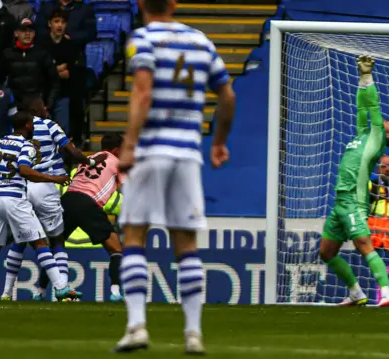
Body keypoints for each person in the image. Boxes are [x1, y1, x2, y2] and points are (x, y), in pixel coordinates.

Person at [113, 0, 236, 354]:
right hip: (187, 154)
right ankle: (193, 333)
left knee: (135, 233)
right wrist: (220, 142)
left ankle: (137, 326)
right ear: (175, 3)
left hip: (152, 150)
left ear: (140, 4)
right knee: (186, 244)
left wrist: (129, 144)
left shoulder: (142, 38)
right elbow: (227, 95)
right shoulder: (200, 41)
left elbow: (143, 90)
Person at [0, 111, 81, 301]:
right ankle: (61, 287)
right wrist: (54, 178)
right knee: (40, 242)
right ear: (28, 126)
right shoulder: (25, 146)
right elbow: (25, 170)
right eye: (32, 125)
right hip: (15, 199)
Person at [0, 96, 106, 301]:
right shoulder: (50, 125)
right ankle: (62, 290)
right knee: (57, 239)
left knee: (21, 239)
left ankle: (6, 292)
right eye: (43, 106)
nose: (47, 108)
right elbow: (72, 151)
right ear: (37, 109)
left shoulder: (15, 133)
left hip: (23, 186)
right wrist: (90, 161)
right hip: (45, 187)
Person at [318, 55, 389, 308]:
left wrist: (368, 77)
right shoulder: (363, 135)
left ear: (388, 134)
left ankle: (386, 294)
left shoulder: (377, 139)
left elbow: (373, 106)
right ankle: (355, 292)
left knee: (364, 245)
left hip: (354, 201)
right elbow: (362, 108)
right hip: (340, 201)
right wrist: (360, 78)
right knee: (326, 252)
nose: (384, 120)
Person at [0, 18, 59, 111]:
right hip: (14, 105)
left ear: (34, 34)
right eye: (23, 30)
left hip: (37, 104)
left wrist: (48, 104)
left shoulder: (42, 54)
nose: (27, 34)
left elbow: (54, 81)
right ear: (16, 33)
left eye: (30, 31)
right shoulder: (7, 54)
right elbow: (1, 81)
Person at [38, 8, 79, 135]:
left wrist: (53, 69)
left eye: (63, 22)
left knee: (61, 132)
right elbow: (41, 68)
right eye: (56, 21)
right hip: (43, 94)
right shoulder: (41, 44)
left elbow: (71, 69)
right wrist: (57, 70)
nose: (60, 25)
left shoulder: (70, 45)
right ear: (50, 24)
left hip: (63, 93)